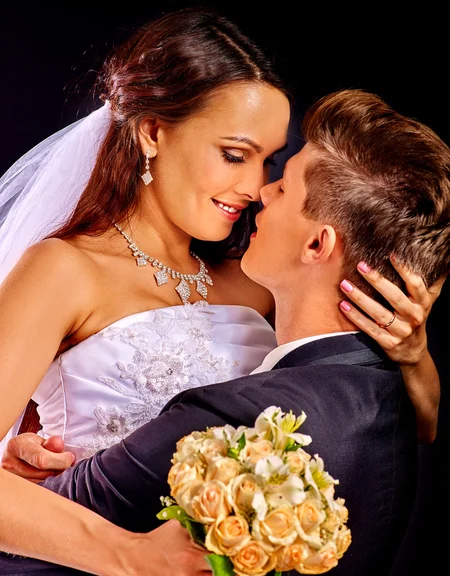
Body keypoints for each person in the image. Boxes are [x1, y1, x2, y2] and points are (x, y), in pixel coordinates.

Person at [0, 88, 448, 576]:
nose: (258, 188)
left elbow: (391, 415)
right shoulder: (66, 269)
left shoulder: (256, 280)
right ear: (152, 132)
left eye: (270, 163)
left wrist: (414, 353)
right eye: (234, 154)